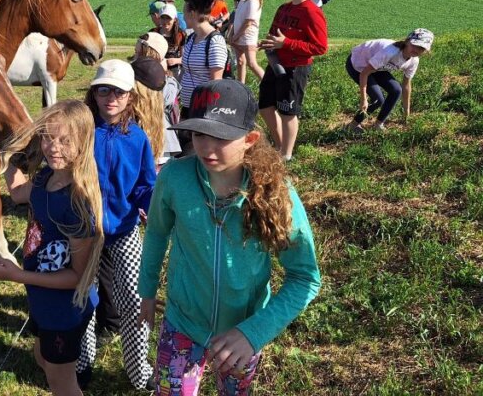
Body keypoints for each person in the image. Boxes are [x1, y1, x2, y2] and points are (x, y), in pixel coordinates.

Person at [138, 79, 321, 396]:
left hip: (243, 330)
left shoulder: (277, 195)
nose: (206, 147)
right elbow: (155, 233)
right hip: (183, 322)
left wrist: (254, 332)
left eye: (220, 136)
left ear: (250, 138)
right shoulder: (173, 178)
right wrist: (147, 290)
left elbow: (305, 277)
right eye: (198, 134)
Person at [0, 100, 104, 396]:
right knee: (42, 359)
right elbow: (18, 193)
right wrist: (14, 162)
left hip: (63, 309)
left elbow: (77, 277)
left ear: (83, 142)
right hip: (42, 300)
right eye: (48, 137)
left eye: (65, 140)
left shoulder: (77, 203)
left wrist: (16, 276)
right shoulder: (44, 179)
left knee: (62, 385)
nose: (53, 147)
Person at [77, 59, 156, 391]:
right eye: (104, 90)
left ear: (130, 97)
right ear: (94, 94)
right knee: (82, 299)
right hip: (83, 233)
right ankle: (81, 364)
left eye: (119, 92)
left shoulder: (138, 139)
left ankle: (139, 371)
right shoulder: (80, 134)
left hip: (124, 231)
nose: (111, 98)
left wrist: (152, 208)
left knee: (135, 302)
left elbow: (144, 185)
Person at [258, 0, 328, 161]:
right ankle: (280, 145)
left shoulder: (312, 12)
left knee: (288, 111)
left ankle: (286, 155)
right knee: (264, 106)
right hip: (276, 64)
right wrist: (267, 43)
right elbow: (274, 34)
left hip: (295, 68)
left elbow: (320, 47)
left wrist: (286, 43)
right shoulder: (284, 8)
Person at [345, 28, 434, 134]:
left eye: (421, 48)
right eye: (414, 45)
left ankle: (378, 124)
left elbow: (406, 86)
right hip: (358, 63)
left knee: (396, 90)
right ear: (407, 41)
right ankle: (353, 125)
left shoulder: (414, 61)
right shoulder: (390, 51)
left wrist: (406, 112)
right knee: (378, 99)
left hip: (378, 66)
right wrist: (363, 99)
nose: (416, 50)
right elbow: (364, 73)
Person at [134, 32, 182, 167]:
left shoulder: (167, 83)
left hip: (161, 145)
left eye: (139, 53)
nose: (135, 57)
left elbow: (163, 100)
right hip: (140, 141)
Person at [180, 0, 229, 120]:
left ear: (192, 13)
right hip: (187, 107)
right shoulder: (191, 38)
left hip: (203, 111)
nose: (183, 17)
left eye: (184, 12)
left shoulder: (215, 42)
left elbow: (215, 83)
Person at [230, 0, 265, 84]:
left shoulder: (253, 1)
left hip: (247, 37)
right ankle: (241, 85)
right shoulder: (243, 0)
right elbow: (236, 19)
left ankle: (268, 84)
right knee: (240, 62)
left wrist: (236, 36)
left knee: (251, 63)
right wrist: (232, 34)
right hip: (238, 35)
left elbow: (248, 22)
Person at [153, 5, 185, 80]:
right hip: (155, 70)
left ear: (174, 19)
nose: (165, 21)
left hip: (173, 72)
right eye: (163, 18)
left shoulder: (181, 35)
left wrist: (176, 61)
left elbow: (185, 57)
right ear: (159, 18)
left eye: (168, 18)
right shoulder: (153, 33)